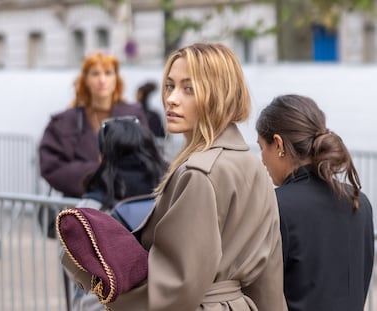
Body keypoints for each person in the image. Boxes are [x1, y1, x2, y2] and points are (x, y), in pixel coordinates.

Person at [107, 43, 287, 311]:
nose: (172, 98)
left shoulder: (199, 173)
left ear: (219, 94)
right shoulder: (252, 166)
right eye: (170, 86)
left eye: (188, 88)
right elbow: (267, 280)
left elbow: (174, 288)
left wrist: (108, 293)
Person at [255, 94, 374, 311]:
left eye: (262, 147)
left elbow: (261, 293)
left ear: (278, 144)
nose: (262, 158)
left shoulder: (276, 206)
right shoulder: (360, 202)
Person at [72, 116, 168, 311]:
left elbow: (73, 265)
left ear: (104, 154)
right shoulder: (172, 190)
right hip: (165, 297)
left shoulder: (93, 204)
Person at [39, 51, 148, 198]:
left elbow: (145, 158)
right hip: (80, 206)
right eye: (95, 74)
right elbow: (51, 166)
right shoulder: (65, 120)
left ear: (116, 78)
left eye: (108, 73)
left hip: (123, 205)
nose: (102, 80)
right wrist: (96, 172)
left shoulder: (133, 116)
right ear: (85, 80)